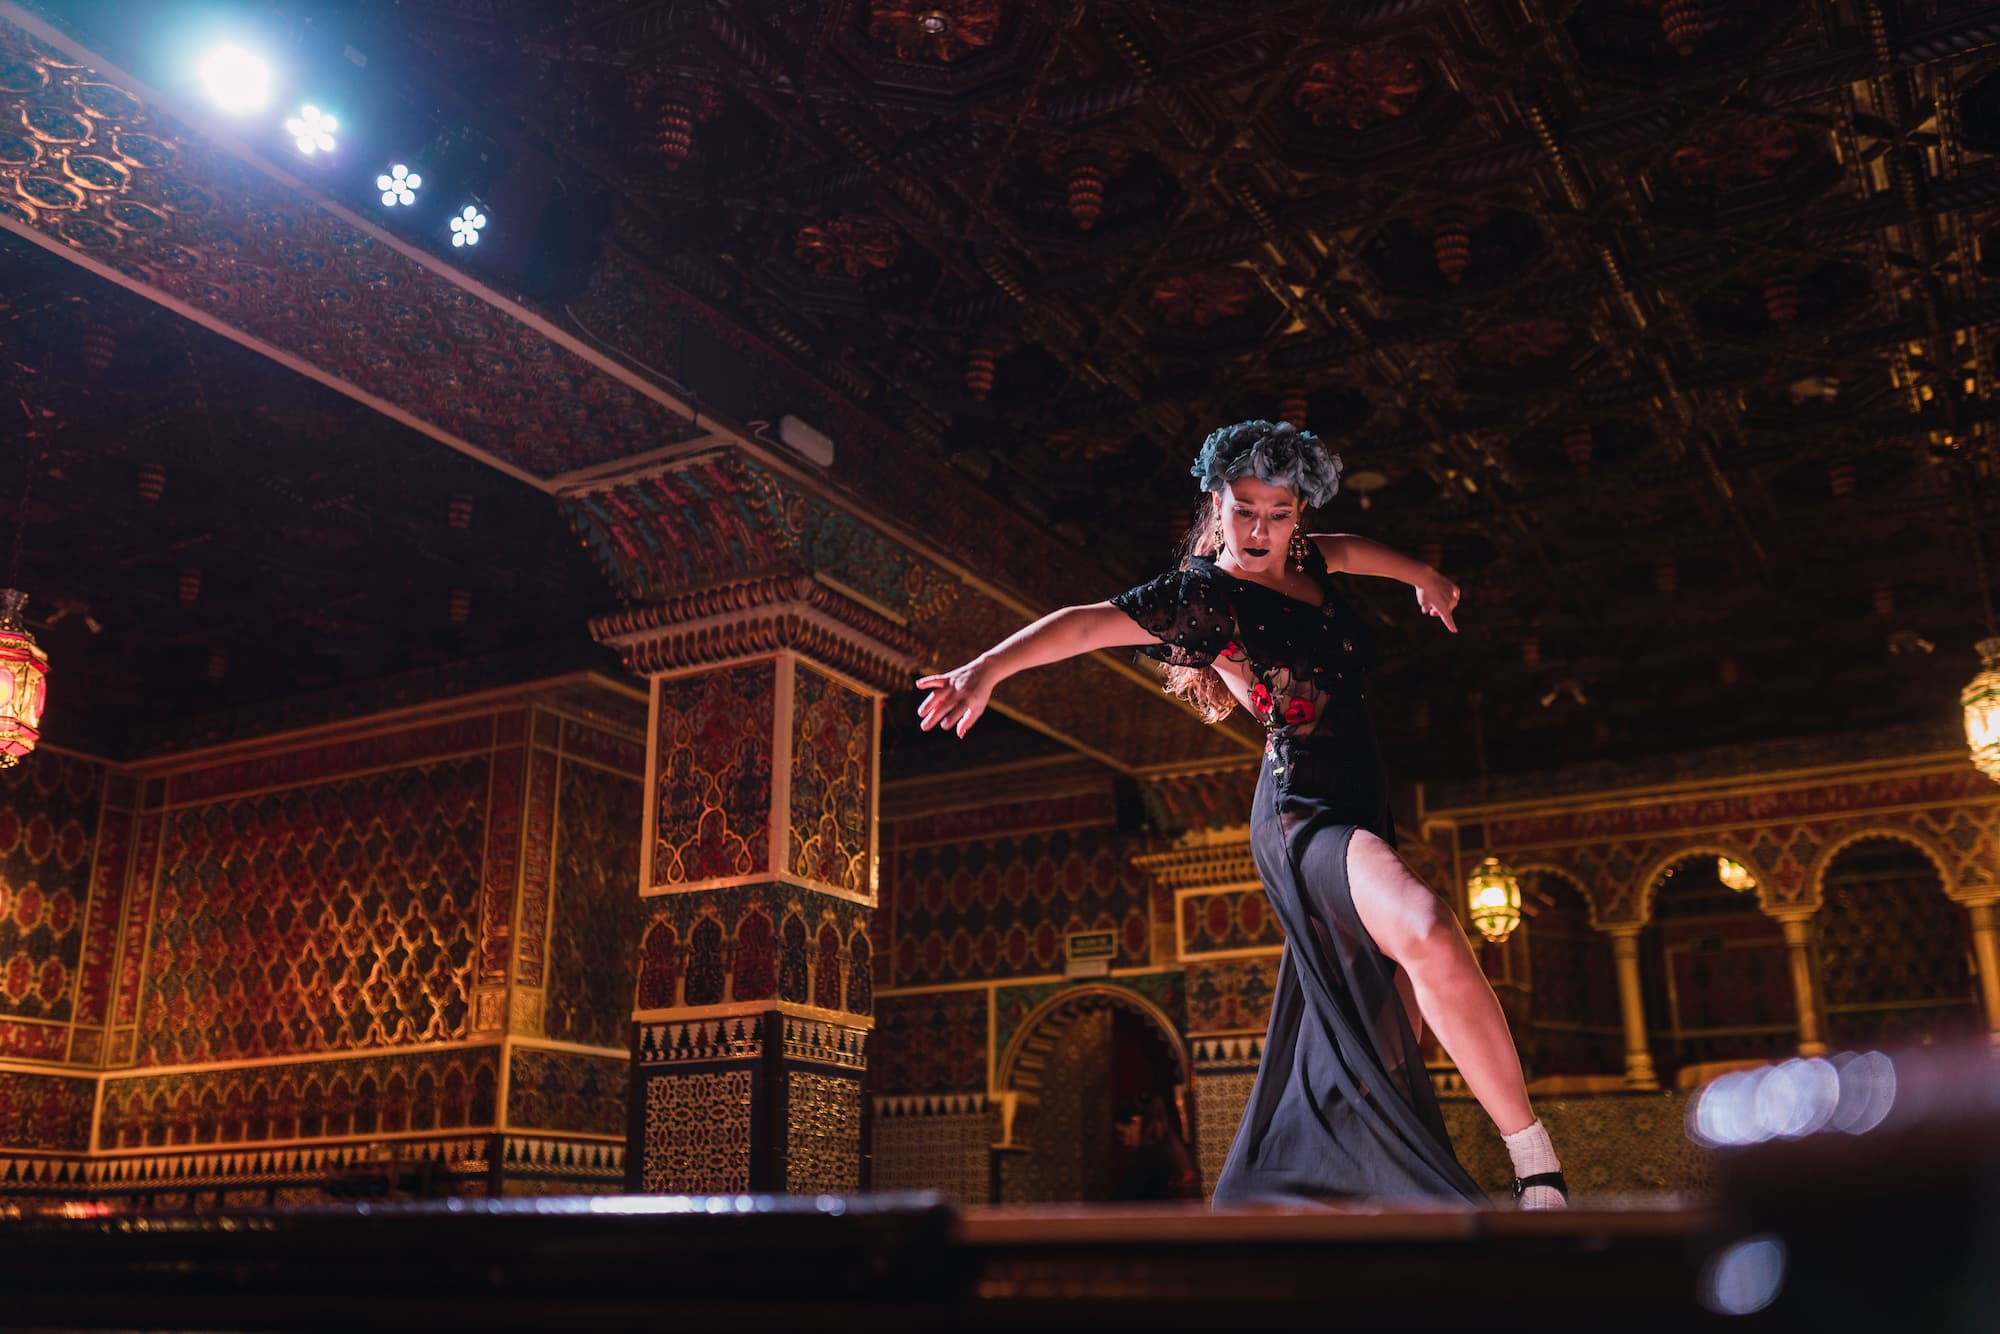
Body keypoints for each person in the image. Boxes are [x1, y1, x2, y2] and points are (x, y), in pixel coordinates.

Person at [916, 419, 1567, 1209]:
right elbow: (1086, 623)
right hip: (1302, 810)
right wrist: (986, 670)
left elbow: (1350, 550)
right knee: (1428, 927)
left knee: (1386, 1023)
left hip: (1362, 802)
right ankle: (1538, 1171)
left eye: (1278, 514)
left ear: (1298, 517)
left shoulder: (1311, 560)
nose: (1259, 530)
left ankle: (1330, 1202)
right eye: (1244, 509)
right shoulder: (1202, 595)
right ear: (1216, 504)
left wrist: (1421, 575)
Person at [1111, 1092, 1202, 1202]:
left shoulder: (1147, 1154)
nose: (1125, 1143)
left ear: (1135, 1121)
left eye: (1123, 1134)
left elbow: (1125, 1198)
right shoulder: (1171, 1149)